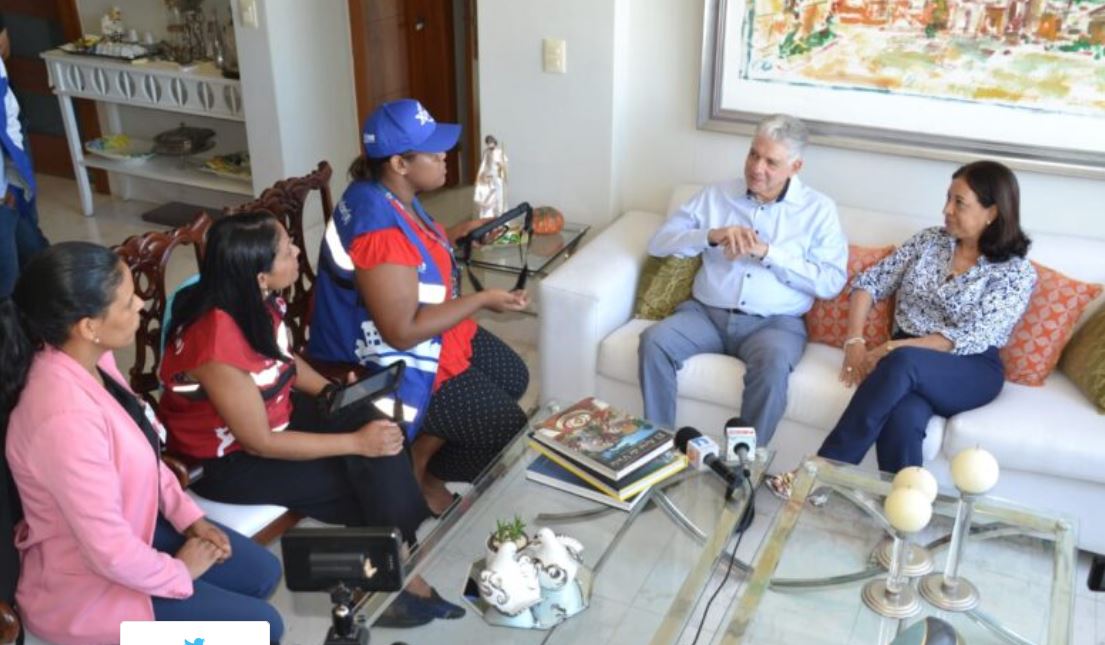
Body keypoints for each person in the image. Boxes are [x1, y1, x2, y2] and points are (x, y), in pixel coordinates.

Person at [158, 212, 462, 627]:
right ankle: (393, 576)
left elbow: (281, 358)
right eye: (287, 251)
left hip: (274, 411)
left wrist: (330, 393)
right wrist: (356, 443)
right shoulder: (215, 344)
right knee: (358, 471)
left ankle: (393, 564)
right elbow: (260, 442)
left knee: (374, 420)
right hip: (227, 459)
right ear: (260, 275)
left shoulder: (250, 298)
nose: (298, 252)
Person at [1, 242, 283, 645]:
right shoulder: (62, 420)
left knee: (262, 574)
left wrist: (189, 517)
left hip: (132, 529)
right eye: (127, 301)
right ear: (88, 326)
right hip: (87, 589)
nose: (141, 304)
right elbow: (109, 551)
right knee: (263, 628)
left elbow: (143, 452)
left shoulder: (94, 360)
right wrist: (179, 571)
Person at [308, 99, 530, 517]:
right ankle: (423, 474)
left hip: (417, 325)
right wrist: (482, 299)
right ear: (400, 163)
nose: (445, 156)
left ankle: (422, 458)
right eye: (434, 153)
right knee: (507, 429)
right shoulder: (378, 229)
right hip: (387, 350)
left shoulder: (388, 192)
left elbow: (413, 248)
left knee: (514, 375)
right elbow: (401, 331)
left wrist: (459, 234)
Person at [767, 160, 1036, 498]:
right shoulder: (929, 242)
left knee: (903, 362)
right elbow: (869, 283)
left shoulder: (1015, 272)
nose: (946, 210)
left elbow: (968, 336)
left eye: (959, 203)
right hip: (906, 364)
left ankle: (824, 468)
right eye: (947, 199)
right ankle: (903, 511)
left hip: (969, 367)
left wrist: (890, 348)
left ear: (992, 213)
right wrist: (854, 340)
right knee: (905, 417)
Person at [638, 114, 848, 445]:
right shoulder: (716, 195)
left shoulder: (818, 210)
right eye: (753, 154)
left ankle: (742, 466)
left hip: (774, 325)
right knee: (655, 341)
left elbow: (831, 281)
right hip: (706, 314)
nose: (756, 168)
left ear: (795, 167)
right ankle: (658, 446)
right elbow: (659, 243)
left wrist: (769, 253)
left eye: (771, 162)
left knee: (773, 366)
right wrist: (711, 235)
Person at [0, 54, 49, 298]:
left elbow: (9, 114)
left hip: (7, 189)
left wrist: (13, 180)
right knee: (6, 283)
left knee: (37, 260)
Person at [473, 134, 507, 219]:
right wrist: (478, 176)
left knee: (499, 195)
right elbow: (483, 165)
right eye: (488, 143)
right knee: (488, 195)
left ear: (494, 142)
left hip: (497, 176)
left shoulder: (499, 152)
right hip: (488, 176)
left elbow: (504, 164)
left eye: (491, 142)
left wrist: (501, 165)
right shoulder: (486, 152)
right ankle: (489, 215)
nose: (490, 144)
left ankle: (499, 214)